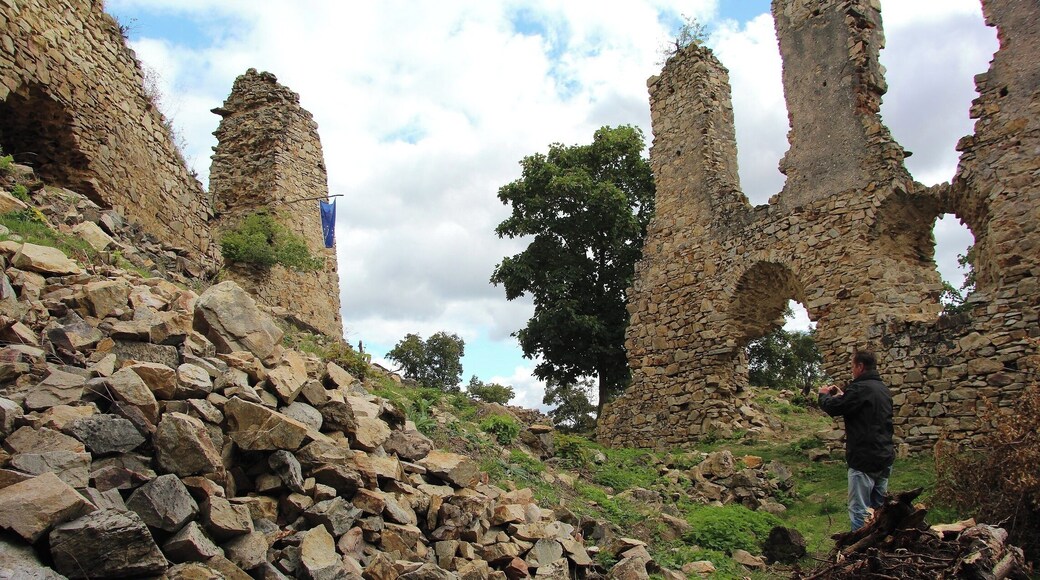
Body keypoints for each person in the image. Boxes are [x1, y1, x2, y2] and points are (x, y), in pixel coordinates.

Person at [818, 350, 895, 531]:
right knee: (879, 509)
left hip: (863, 459)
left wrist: (823, 394)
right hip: (884, 457)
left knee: (859, 510)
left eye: (853, 366)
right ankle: (881, 545)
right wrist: (843, 396)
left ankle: (860, 551)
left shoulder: (859, 389)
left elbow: (834, 408)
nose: (852, 370)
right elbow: (858, 407)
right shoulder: (883, 389)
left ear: (860, 366)